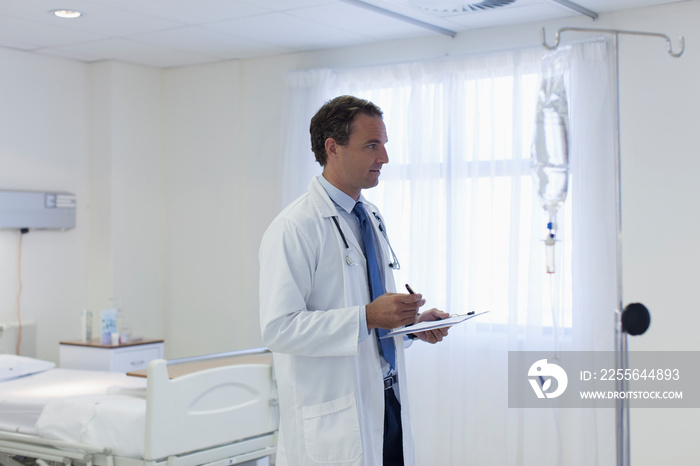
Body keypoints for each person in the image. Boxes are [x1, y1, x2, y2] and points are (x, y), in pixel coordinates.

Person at [259, 95, 449, 466]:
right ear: (333, 148)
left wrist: (409, 326)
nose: (384, 158)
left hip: (386, 400)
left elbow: (373, 313)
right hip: (335, 415)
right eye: (371, 146)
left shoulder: (370, 215)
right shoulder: (294, 227)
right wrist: (368, 317)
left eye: (384, 145)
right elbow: (278, 329)